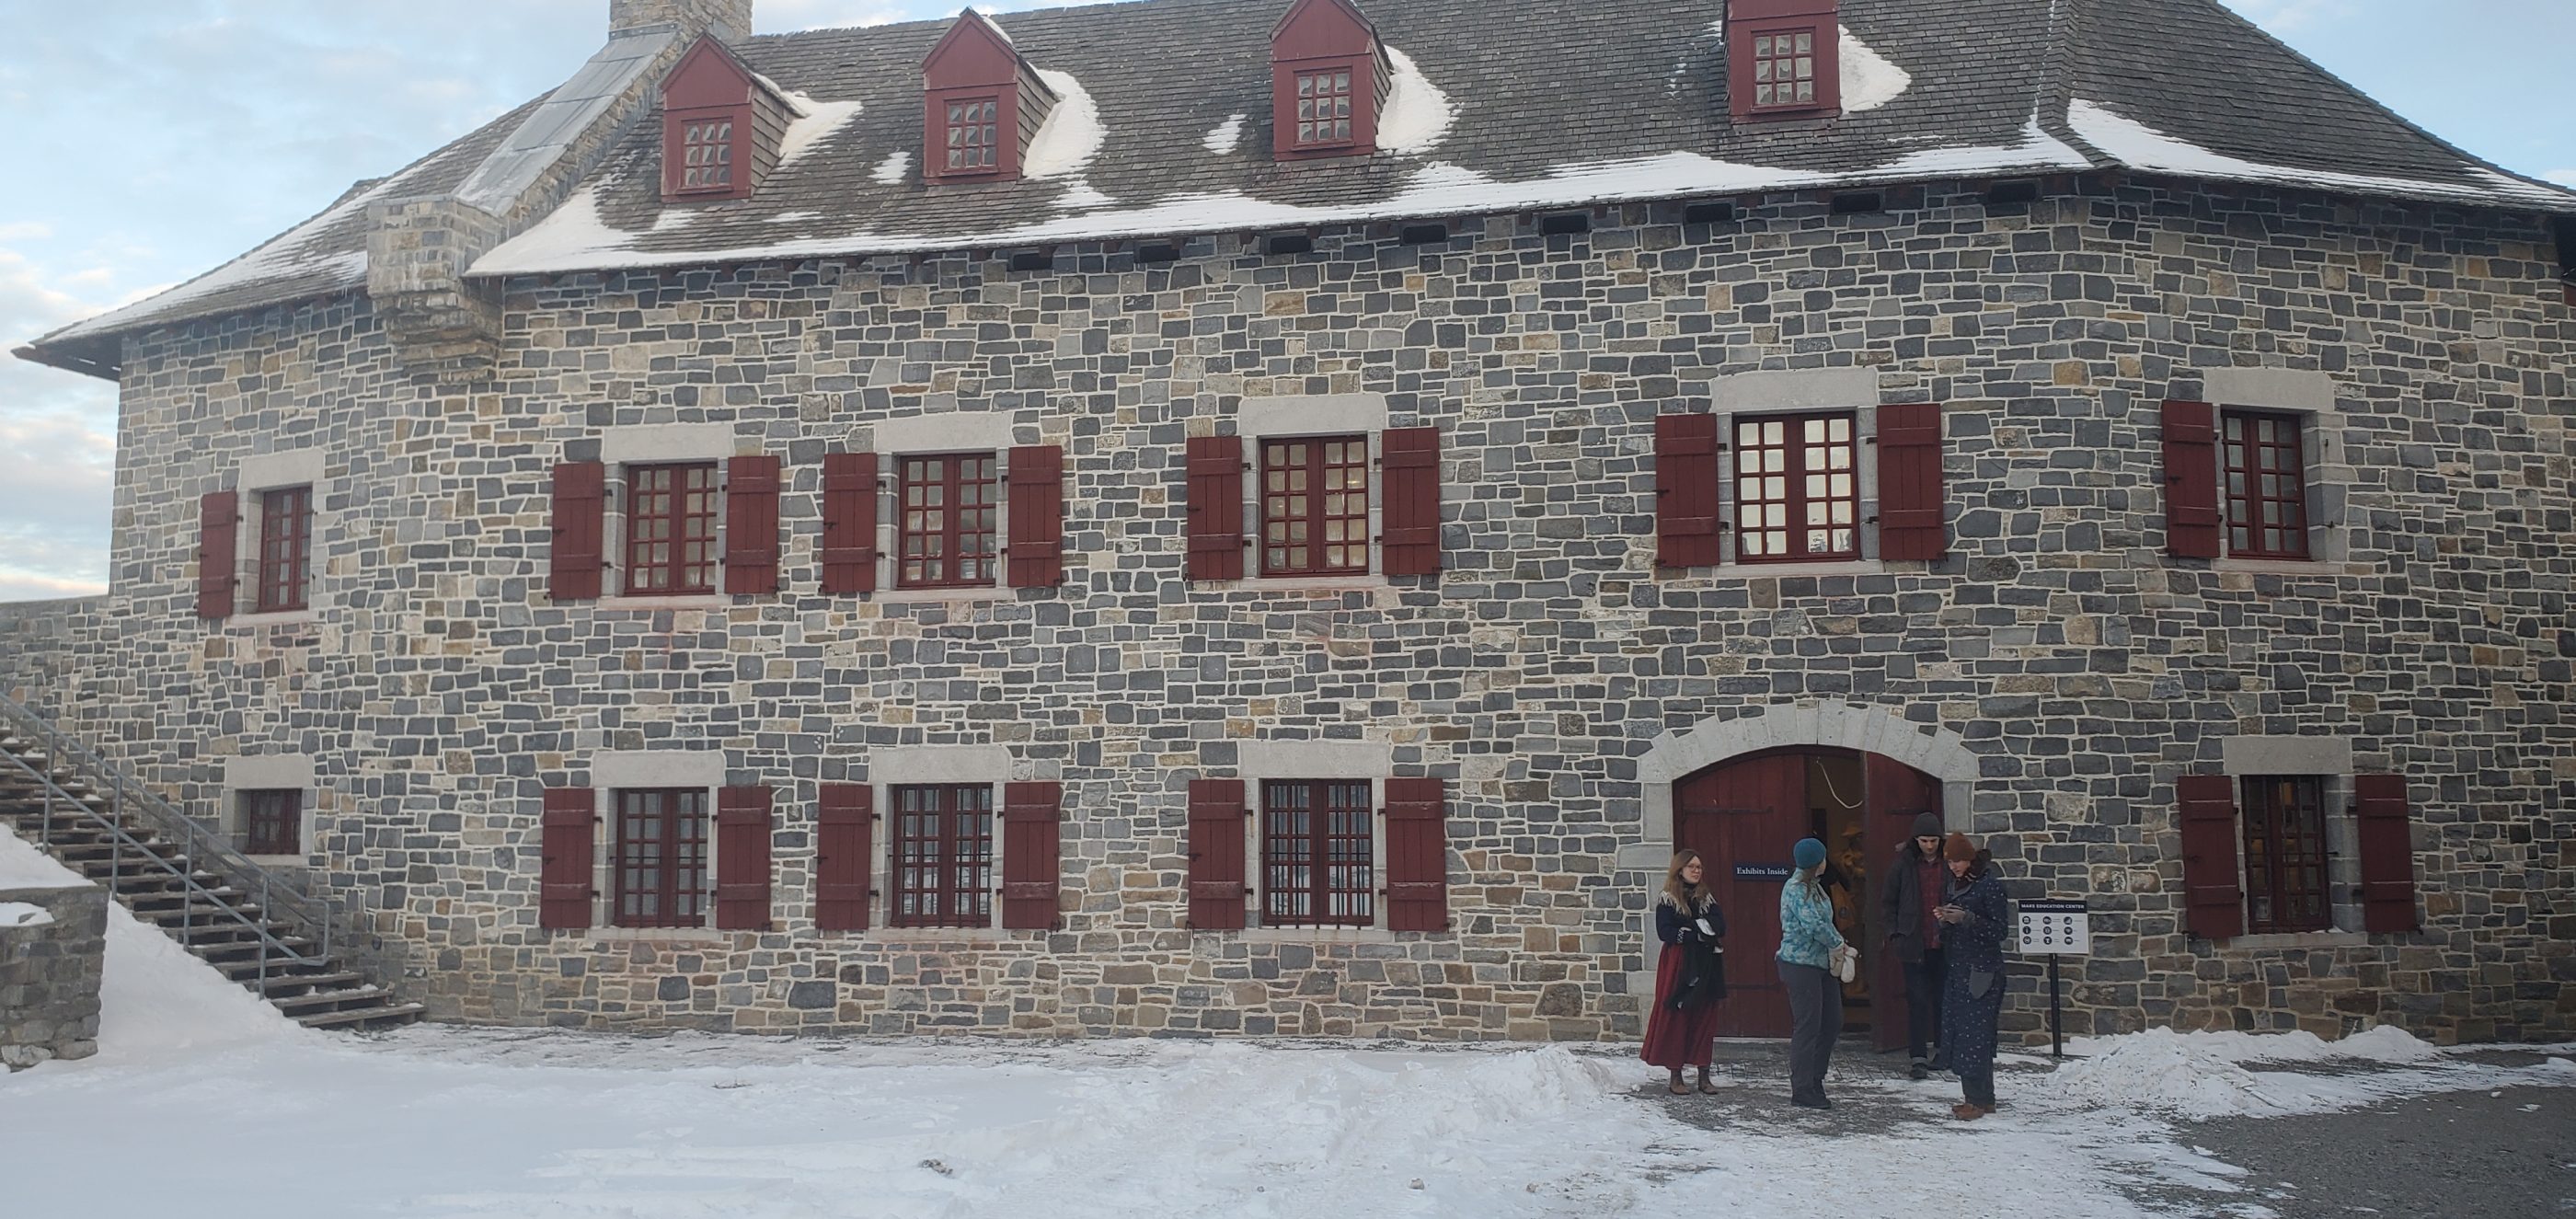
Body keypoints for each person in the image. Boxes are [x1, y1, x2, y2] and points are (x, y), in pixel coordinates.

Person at [1641, 849, 1728, 1095]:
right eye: (1691, 866)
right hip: (1678, 962)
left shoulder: (1706, 898)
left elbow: (1720, 925)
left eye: (1699, 866)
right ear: (1680, 869)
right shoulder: (1668, 898)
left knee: (1705, 1015)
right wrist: (1696, 931)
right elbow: (1665, 931)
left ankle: (1704, 1075)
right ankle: (1675, 1074)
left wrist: (1697, 929)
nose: (1697, 870)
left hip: (1706, 961)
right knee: (1677, 1014)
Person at [1935, 832, 2008, 1120]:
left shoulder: (1989, 887)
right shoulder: (1955, 887)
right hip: (1960, 968)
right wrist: (1946, 920)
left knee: (1975, 1036)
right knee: (1964, 1034)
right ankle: (1980, 1097)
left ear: (1970, 859)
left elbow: (2000, 930)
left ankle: (1977, 1100)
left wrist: (1967, 919)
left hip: (1982, 971)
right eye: (1951, 861)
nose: (1954, 866)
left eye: (1959, 860)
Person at [1776, 836, 1848, 1110]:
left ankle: (1816, 1078)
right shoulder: (1795, 889)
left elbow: (1824, 923)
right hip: (1799, 965)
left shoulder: (1815, 888)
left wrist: (1838, 943)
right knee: (1808, 1025)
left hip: (1821, 964)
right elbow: (1814, 925)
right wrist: (1838, 942)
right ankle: (1803, 1088)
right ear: (1817, 861)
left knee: (1832, 1022)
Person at [1878, 811, 1949, 1079]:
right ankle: (1918, 1056)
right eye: (1924, 841)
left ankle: (1944, 1050)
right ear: (1916, 840)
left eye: (1933, 841)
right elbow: (1888, 903)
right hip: (1913, 943)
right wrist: (1895, 933)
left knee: (1944, 999)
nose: (1929, 846)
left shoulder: (1948, 864)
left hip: (1943, 943)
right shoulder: (1903, 866)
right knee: (1917, 1001)